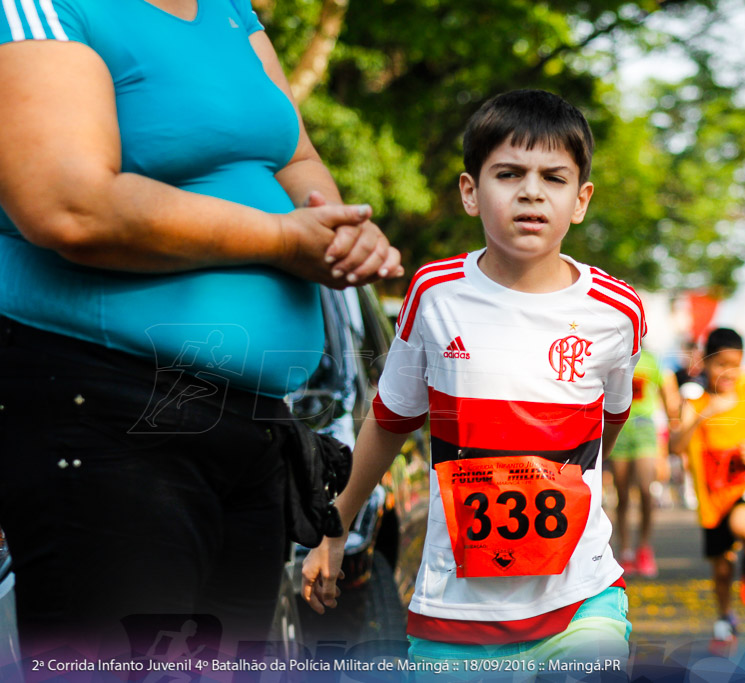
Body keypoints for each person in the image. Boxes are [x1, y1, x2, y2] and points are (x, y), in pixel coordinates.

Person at [0, 0, 401, 661]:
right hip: (109, 411)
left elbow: (293, 154)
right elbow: (68, 205)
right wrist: (278, 238)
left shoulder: (229, 11)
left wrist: (342, 231)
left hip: (252, 423)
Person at [301, 89, 640, 670]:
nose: (531, 191)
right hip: (454, 618)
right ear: (470, 192)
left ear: (580, 200)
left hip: (580, 601)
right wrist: (335, 527)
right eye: (508, 173)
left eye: (553, 178)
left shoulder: (617, 311)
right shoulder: (435, 296)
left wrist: (554, 483)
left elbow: (605, 429)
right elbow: (388, 421)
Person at [678, 328, 745, 649]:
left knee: (742, 524)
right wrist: (704, 414)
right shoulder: (697, 403)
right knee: (721, 567)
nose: (728, 373)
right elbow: (676, 444)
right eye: (721, 365)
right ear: (705, 363)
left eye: (735, 364)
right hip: (712, 496)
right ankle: (725, 616)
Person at [609, 345, 681, 577]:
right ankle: (626, 551)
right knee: (621, 494)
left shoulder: (652, 359)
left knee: (646, 490)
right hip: (619, 430)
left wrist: (674, 422)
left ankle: (644, 548)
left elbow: (667, 393)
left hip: (644, 430)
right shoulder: (614, 355)